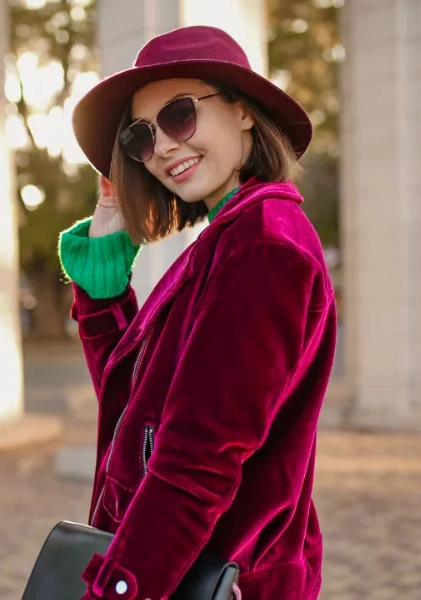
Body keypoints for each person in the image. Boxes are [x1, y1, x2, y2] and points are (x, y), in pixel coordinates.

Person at [57, 26, 334, 600]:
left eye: (180, 115)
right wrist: (102, 284)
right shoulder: (227, 240)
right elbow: (139, 415)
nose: (162, 147)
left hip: (212, 577)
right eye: (140, 138)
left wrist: (117, 592)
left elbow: (197, 462)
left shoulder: (262, 246)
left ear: (242, 112)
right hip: (184, 568)